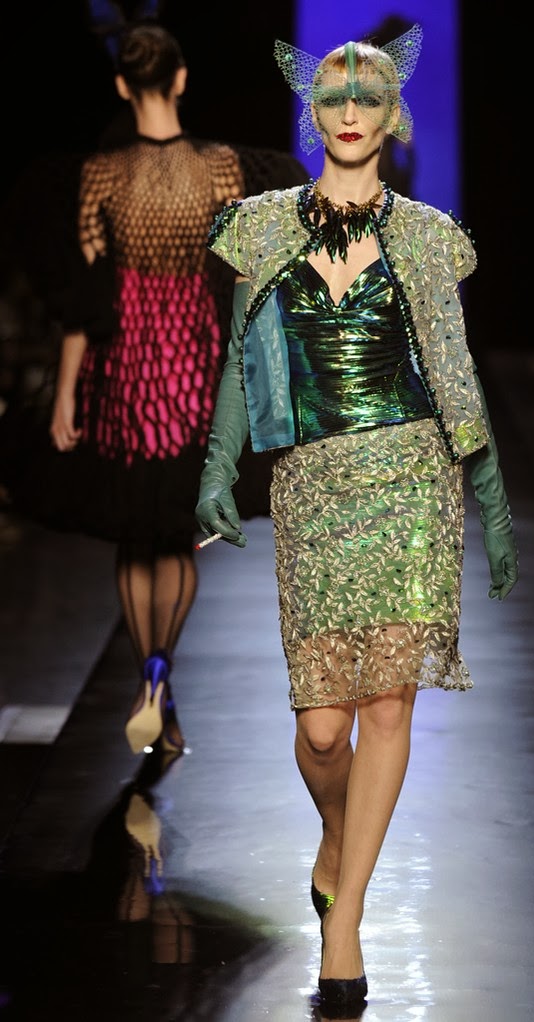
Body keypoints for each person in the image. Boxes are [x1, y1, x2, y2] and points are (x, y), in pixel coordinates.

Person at [195, 23, 519, 1011]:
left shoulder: (424, 236)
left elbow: (453, 371)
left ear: (390, 115)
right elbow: (241, 358)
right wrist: (217, 464)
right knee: (322, 726)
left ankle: (346, 924)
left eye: (366, 97)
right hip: (312, 485)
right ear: (313, 112)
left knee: (385, 706)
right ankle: (337, 833)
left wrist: (491, 497)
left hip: (412, 479)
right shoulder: (260, 227)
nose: (347, 112)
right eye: (332, 97)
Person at [39, 19, 247, 760]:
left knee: (135, 533)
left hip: (126, 366)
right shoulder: (221, 168)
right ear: (181, 79)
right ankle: (161, 674)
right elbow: (239, 284)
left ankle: (149, 681)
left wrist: (65, 394)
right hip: (191, 361)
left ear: (123, 85)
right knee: (175, 532)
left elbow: (87, 298)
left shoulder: (102, 173)